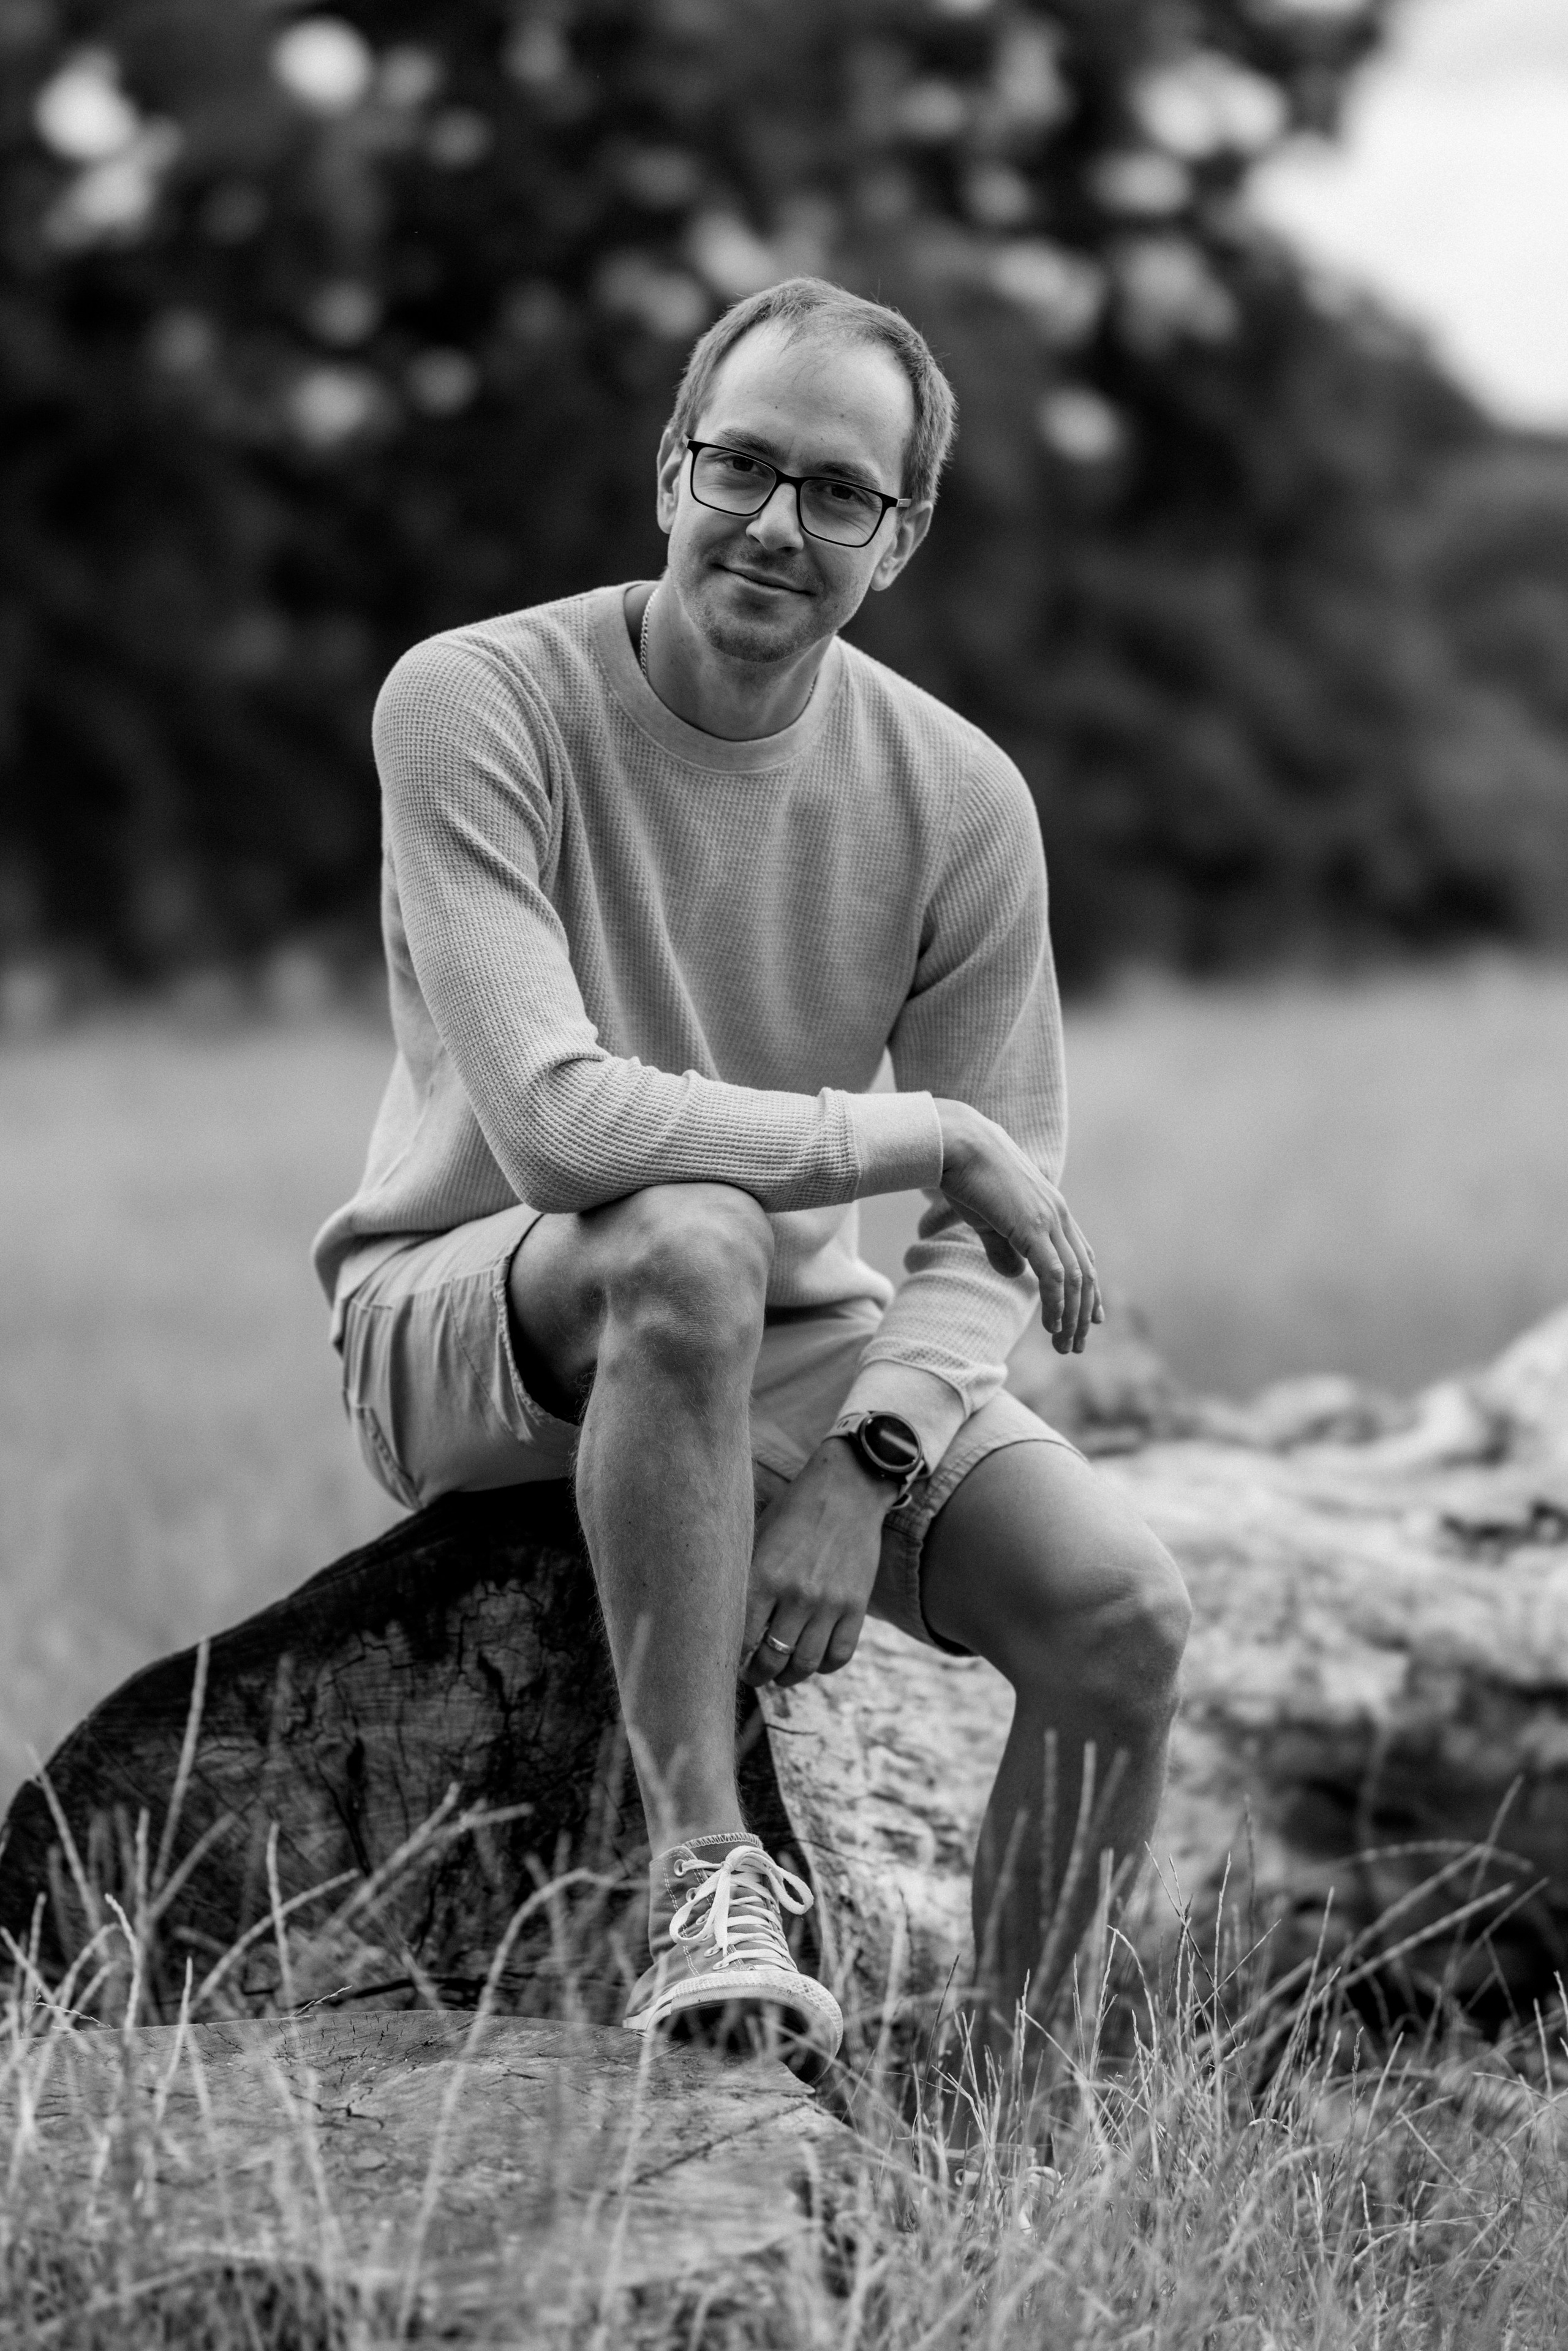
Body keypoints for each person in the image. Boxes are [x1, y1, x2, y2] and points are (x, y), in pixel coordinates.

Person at [314, 276, 1191, 2078]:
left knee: (1120, 1611)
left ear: (906, 532)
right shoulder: (472, 699)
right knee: (693, 1242)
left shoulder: (956, 795)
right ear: (669, 469)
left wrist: (872, 1461)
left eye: (842, 492)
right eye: (744, 465)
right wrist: (921, 1134)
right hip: (474, 1309)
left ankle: (1006, 2124)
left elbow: (985, 1221)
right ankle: (707, 1871)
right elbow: (559, 1130)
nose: (779, 525)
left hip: (782, 1338)